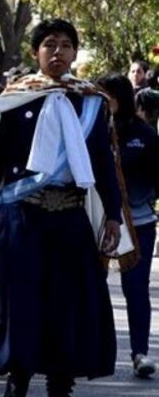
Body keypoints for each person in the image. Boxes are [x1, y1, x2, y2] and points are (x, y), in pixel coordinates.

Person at [0, 19, 125, 397]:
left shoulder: (91, 101)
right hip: (22, 216)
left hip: (70, 217)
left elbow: (104, 164)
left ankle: (61, 379)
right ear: (36, 52)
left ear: (75, 53)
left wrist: (114, 216)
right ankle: (18, 375)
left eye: (66, 45)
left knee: (67, 303)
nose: (58, 52)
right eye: (50, 45)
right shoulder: (16, 97)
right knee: (22, 300)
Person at [97, 74, 157, 378]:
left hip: (138, 224)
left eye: (108, 95)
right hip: (94, 222)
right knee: (89, 286)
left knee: (135, 289)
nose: (103, 101)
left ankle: (140, 353)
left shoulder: (143, 134)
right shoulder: (87, 130)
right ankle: (89, 350)